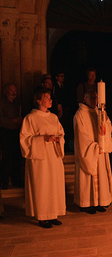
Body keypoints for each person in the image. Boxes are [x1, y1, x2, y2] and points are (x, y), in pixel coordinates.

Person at [20, 90, 66, 228]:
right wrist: (43, 139)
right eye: (46, 98)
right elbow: (25, 139)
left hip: (53, 155)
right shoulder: (30, 118)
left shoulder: (53, 117)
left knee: (53, 184)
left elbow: (61, 133)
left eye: (50, 97)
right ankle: (42, 216)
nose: (50, 100)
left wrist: (58, 138)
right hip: (40, 158)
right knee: (43, 185)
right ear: (38, 101)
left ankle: (53, 214)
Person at [74, 90, 112, 214]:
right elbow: (81, 135)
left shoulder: (98, 112)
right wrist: (94, 147)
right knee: (87, 177)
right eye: (91, 97)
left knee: (101, 174)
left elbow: (107, 128)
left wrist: (106, 120)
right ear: (85, 98)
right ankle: (86, 204)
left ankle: (99, 202)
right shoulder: (80, 114)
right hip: (89, 150)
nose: (94, 100)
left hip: (99, 150)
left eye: (96, 98)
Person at [0, 83, 24, 189]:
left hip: (17, 132)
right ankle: (4, 181)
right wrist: (13, 120)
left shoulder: (18, 103)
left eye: (15, 90)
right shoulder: (1, 103)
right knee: (6, 157)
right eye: (11, 90)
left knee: (17, 157)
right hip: (5, 132)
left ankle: (16, 180)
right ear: (6, 91)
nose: (13, 92)